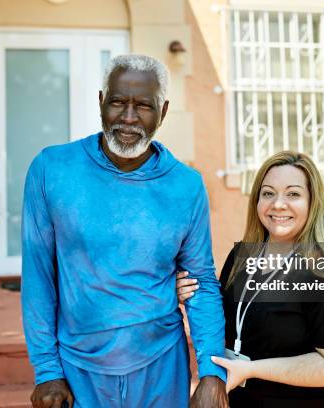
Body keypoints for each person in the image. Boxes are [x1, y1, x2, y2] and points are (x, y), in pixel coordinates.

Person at [21, 54, 228, 408]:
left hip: (162, 366)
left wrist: (211, 372)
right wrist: (46, 371)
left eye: (143, 106)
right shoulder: (50, 169)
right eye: (117, 102)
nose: (129, 118)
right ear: (101, 102)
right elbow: (39, 276)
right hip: (77, 369)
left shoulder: (186, 185)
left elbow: (202, 283)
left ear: (162, 112)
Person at [177, 151, 324, 407]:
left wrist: (251, 369)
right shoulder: (242, 257)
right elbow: (227, 318)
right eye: (268, 193)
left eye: (293, 194)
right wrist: (191, 292)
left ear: (313, 202)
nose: (278, 204)